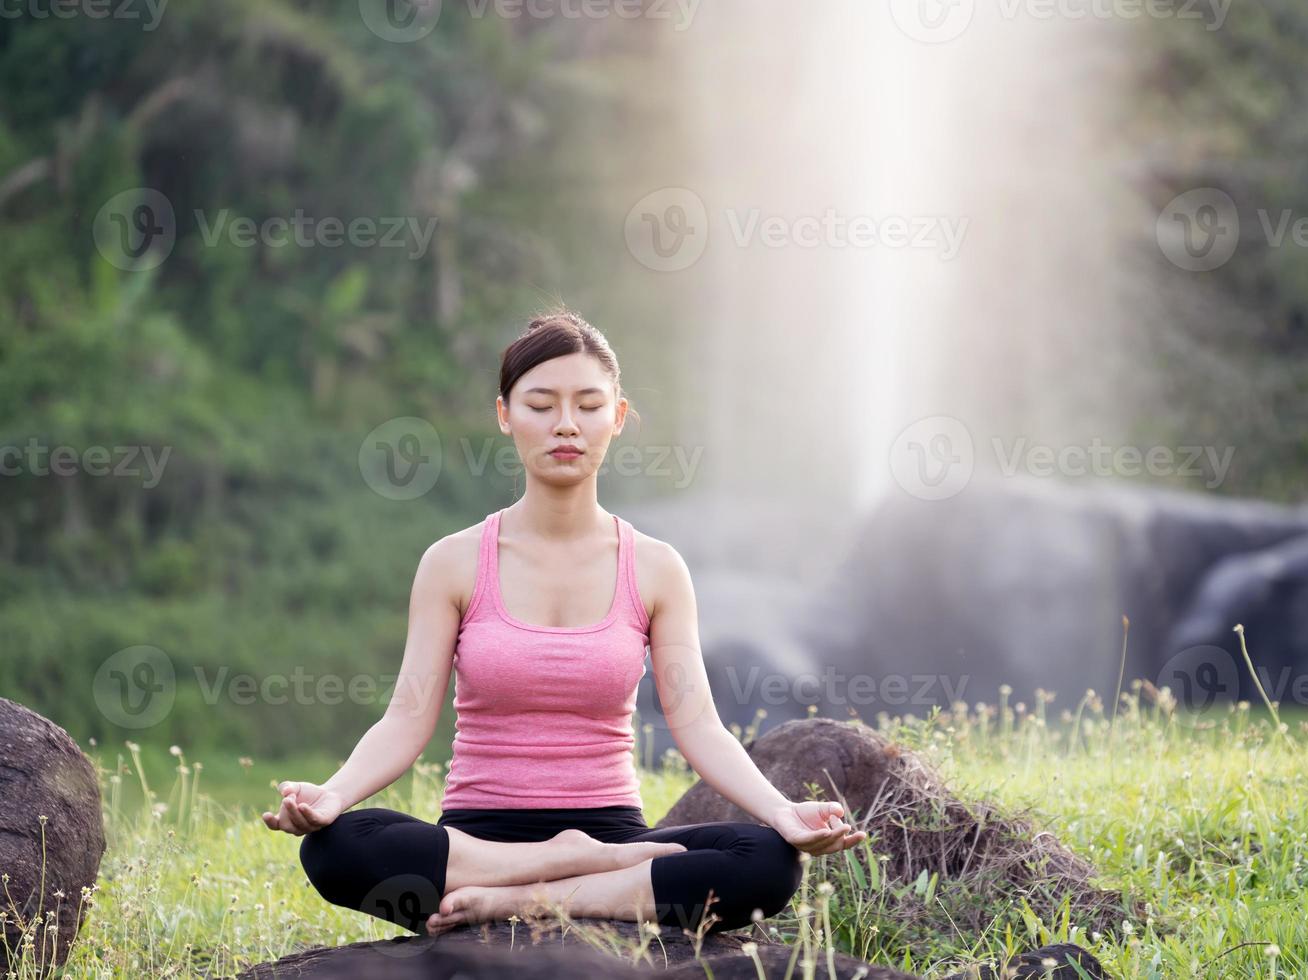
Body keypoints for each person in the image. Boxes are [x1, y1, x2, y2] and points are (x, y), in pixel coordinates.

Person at [262, 308, 866, 937]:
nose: (566, 425)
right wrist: (332, 795)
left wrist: (783, 811)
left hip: (610, 833)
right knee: (338, 846)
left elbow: (699, 725)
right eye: (541, 404)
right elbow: (407, 719)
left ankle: (517, 900)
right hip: (477, 839)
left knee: (768, 861)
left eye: (588, 405)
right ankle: (570, 870)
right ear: (504, 415)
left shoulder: (656, 568)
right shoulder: (453, 562)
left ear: (618, 417)